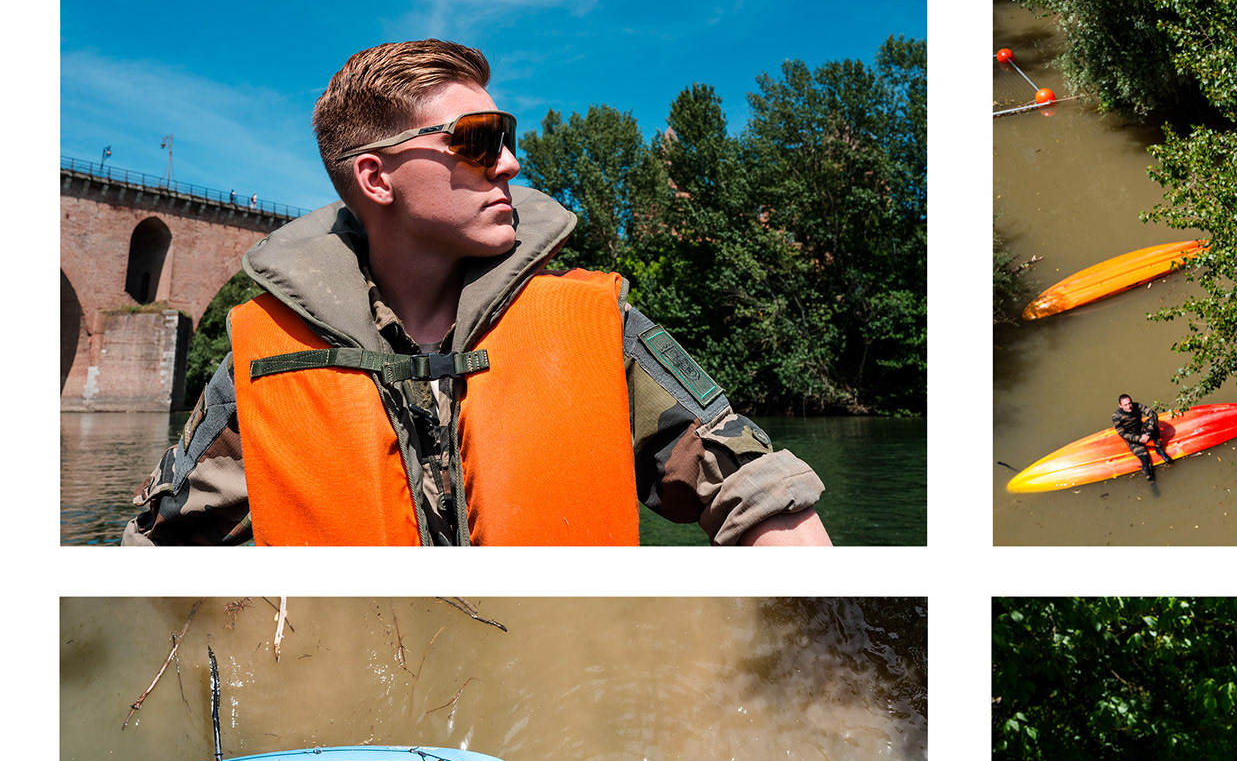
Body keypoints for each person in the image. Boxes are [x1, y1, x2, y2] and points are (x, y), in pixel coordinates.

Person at [125, 39, 831, 547]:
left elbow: (758, 491)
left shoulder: (597, 325)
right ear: (377, 178)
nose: (512, 162)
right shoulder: (260, 361)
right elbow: (151, 561)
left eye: (506, 136)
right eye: (478, 139)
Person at [1113, 393, 1171, 483]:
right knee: (1145, 460)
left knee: (1153, 422)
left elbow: (1153, 414)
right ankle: (1151, 481)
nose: (1129, 406)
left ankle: (1158, 448)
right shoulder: (1116, 416)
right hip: (1132, 438)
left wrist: (1147, 433)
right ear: (1120, 406)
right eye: (1125, 405)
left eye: (1130, 403)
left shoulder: (1137, 406)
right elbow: (1122, 434)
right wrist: (1139, 439)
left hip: (1142, 430)